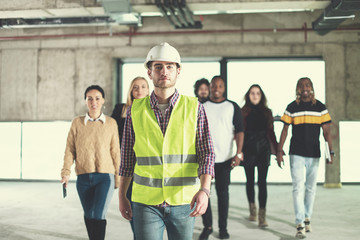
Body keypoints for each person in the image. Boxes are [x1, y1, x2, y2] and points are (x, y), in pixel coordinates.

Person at [118, 42, 215, 240]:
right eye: (158, 67)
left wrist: (204, 190)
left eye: (170, 66)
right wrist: (122, 196)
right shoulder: (135, 111)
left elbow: (207, 152)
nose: (164, 71)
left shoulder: (194, 107)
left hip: (183, 201)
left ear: (179, 71)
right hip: (145, 203)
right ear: (149, 72)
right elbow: (127, 157)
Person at [276, 77, 334, 239]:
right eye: (301, 86)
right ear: (298, 89)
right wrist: (279, 151)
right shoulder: (292, 107)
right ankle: (299, 222)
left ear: (312, 88)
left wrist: (331, 153)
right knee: (297, 187)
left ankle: (307, 217)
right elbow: (285, 130)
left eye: (307, 85)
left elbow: (327, 132)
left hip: (314, 153)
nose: (305, 88)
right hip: (296, 153)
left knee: (310, 188)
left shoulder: (320, 108)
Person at [61, 85, 120, 240]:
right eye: (90, 99)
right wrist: (65, 173)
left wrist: (119, 178)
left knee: (98, 214)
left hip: (105, 177)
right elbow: (70, 149)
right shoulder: (77, 123)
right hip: (83, 178)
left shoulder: (111, 123)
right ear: (86, 101)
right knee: (88, 214)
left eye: (97, 98)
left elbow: (116, 152)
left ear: (103, 100)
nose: (94, 102)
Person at [199, 76, 244, 240]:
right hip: (205, 159)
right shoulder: (202, 106)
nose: (216, 88)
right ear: (210, 87)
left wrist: (238, 153)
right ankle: (207, 226)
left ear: (224, 88)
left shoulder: (232, 107)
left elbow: (239, 131)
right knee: (205, 193)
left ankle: (223, 228)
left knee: (223, 194)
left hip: (225, 158)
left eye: (220, 85)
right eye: (213, 85)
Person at [111, 76, 149, 239]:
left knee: (145, 207)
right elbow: (111, 136)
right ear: (130, 90)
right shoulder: (121, 109)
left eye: (143, 87)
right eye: (135, 87)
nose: (139, 90)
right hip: (125, 164)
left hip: (145, 165)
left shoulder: (152, 109)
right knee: (130, 203)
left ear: (148, 90)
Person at [240, 84, 282, 228]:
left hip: (263, 149)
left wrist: (277, 151)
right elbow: (239, 133)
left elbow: (271, 132)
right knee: (250, 181)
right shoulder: (243, 111)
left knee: (262, 182)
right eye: (252, 93)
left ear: (261, 95)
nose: (255, 95)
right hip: (248, 149)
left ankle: (262, 216)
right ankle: (253, 210)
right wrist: (239, 151)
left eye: (257, 93)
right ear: (248, 95)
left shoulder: (267, 112)